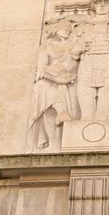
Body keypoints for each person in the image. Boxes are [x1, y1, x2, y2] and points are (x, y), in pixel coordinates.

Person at [71, 0, 109, 120]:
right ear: (93, 6)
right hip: (87, 67)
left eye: (106, 2)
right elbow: (74, 52)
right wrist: (80, 47)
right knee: (86, 113)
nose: (102, 5)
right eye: (98, 2)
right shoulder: (83, 26)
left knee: (104, 113)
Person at [27, 23, 80, 153]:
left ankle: (61, 111)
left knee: (51, 94)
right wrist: (57, 79)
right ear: (55, 29)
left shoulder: (75, 44)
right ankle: (61, 111)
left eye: (69, 29)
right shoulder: (47, 46)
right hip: (52, 79)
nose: (68, 31)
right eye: (64, 28)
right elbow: (40, 71)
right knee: (41, 87)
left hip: (71, 81)